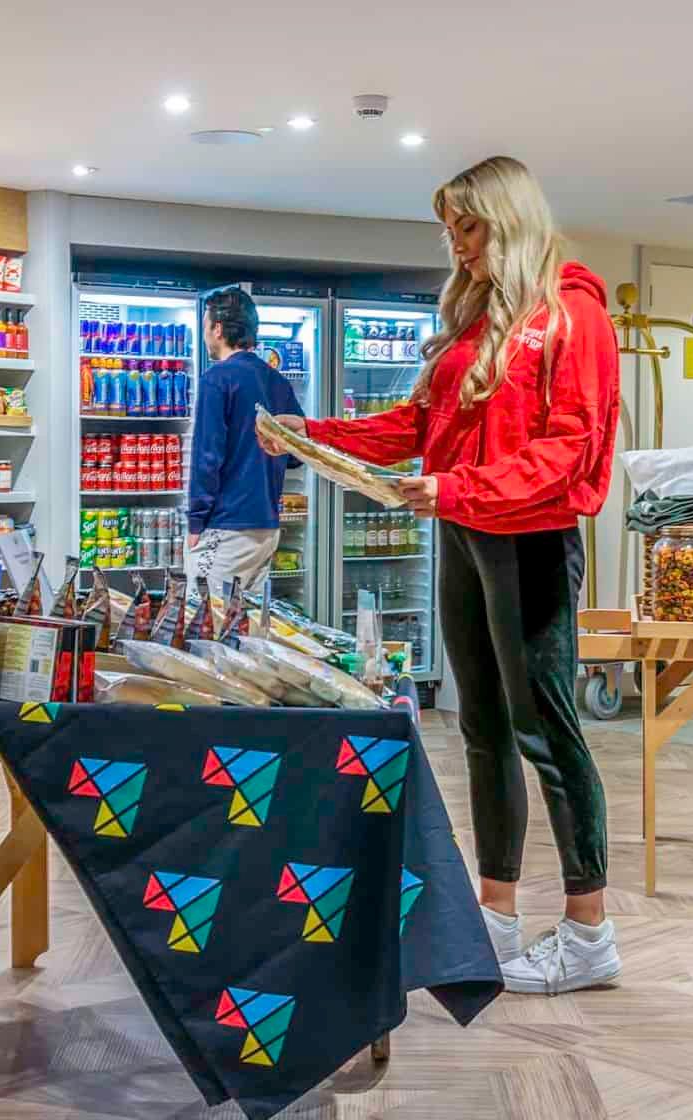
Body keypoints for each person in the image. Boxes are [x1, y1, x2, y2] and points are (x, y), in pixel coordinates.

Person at [260, 156, 621, 996]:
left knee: (547, 732)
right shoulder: (479, 319)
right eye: (450, 231)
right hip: (465, 534)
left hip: (528, 540)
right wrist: (312, 432)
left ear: (510, 218)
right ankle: (495, 915)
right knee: (483, 730)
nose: (457, 245)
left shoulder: (572, 314)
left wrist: (459, 488)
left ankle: (589, 933)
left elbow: (570, 449)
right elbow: (417, 427)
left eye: (469, 226)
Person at [187, 286, 305, 594]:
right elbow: (298, 452)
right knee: (246, 619)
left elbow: (207, 457)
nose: (205, 335)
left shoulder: (217, 379)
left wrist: (196, 522)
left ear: (218, 329)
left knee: (204, 615)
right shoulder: (277, 381)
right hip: (266, 526)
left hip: (228, 526)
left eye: (205, 326)